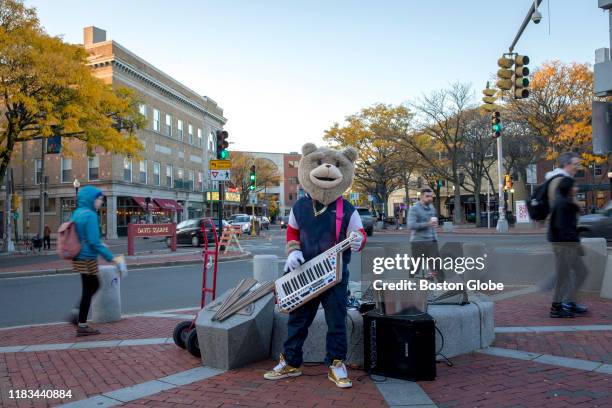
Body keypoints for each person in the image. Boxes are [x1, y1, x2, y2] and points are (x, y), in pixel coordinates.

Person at [71, 186, 123, 336]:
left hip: (78, 256)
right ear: (92, 199)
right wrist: (111, 258)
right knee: (92, 287)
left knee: (90, 287)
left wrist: (99, 244)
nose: (101, 201)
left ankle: (78, 316)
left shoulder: (77, 213)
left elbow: (83, 236)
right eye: (100, 198)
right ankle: (81, 323)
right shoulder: (90, 215)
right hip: (87, 257)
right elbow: (93, 241)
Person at [548, 176, 588, 318]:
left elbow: (566, 226)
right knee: (563, 277)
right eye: (574, 186)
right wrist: (576, 243)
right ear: (568, 188)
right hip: (564, 246)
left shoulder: (565, 202)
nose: (576, 188)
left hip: (568, 244)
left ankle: (569, 302)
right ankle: (556, 307)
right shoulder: (562, 204)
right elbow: (562, 228)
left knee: (581, 272)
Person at [407, 189, 443, 280]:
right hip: (418, 241)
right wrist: (427, 224)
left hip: (432, 241)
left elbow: (433, 222)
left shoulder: (431, 207)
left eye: (431, 196)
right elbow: (410, 225)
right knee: (416, 265)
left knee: (436, 265)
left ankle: (441, 285)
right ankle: (410, 283)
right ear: (421, 197)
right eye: (427, 196)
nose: (430, 198)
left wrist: (435, 227)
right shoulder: (414, 209)